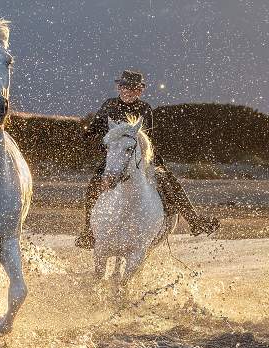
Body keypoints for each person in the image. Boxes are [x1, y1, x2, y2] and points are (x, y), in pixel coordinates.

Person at [75, 70, 220, 249]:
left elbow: (149, 139)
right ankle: (89, 231)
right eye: (125, 87)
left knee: (170, 182)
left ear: (140, 90)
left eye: (134, 88)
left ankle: (194, 220)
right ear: (119, 87)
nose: (129, 91)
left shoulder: (145, 109)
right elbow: (91, 133)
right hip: (115, 159)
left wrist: (149, 160)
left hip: (142, 158)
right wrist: (103, 144)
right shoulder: (108, 106)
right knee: (92, 188)